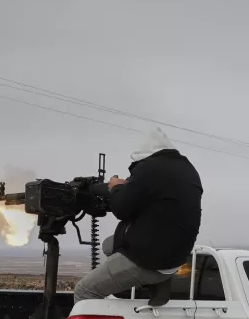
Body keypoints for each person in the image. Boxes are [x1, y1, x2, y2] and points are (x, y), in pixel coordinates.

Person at [74, 127, 203, 307]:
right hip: (175, 255)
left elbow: (122, 210)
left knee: (84, 291)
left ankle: (153, 277)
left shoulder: (148, 168)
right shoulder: (187, 169)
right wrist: (124, 188)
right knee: (108, 245)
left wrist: (115, 187)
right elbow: (157, 199)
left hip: (150, 258)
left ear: (143, 155)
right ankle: (159, 281)